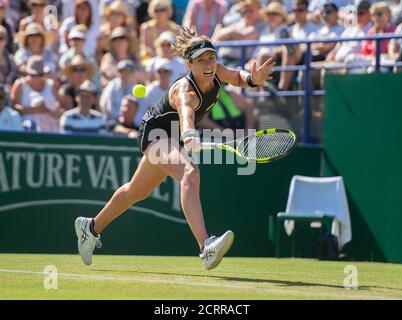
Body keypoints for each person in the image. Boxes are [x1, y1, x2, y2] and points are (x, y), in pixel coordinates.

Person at [74, 26, 275, 270]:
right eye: (201, 60)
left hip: (173, 139)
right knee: (190, 172)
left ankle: (90, 227)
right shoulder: (185, 91)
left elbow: (237, 77)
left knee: (135, 191)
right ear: (189, 64)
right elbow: (185, 114)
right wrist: (190, 134)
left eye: (211, 57)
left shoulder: (216, 71)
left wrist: (254, 79)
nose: (208, 64)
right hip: (155, 133)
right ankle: (206, 247)